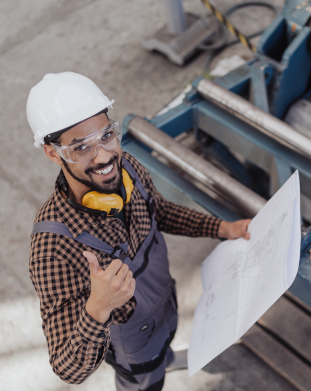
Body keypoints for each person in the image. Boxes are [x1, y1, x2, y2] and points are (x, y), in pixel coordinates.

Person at [27, 72, 251, 391]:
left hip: (165, 310)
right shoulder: (53, 245)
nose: (104, 156)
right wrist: (98, 307)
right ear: (53, 152)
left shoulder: (128, 168)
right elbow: (67, 368)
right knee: (144, 383)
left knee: (164, 349)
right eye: (81, 148)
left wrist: (222, 227)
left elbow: (160, 211)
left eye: (106, 136)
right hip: (134, 350)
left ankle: (167, 359)